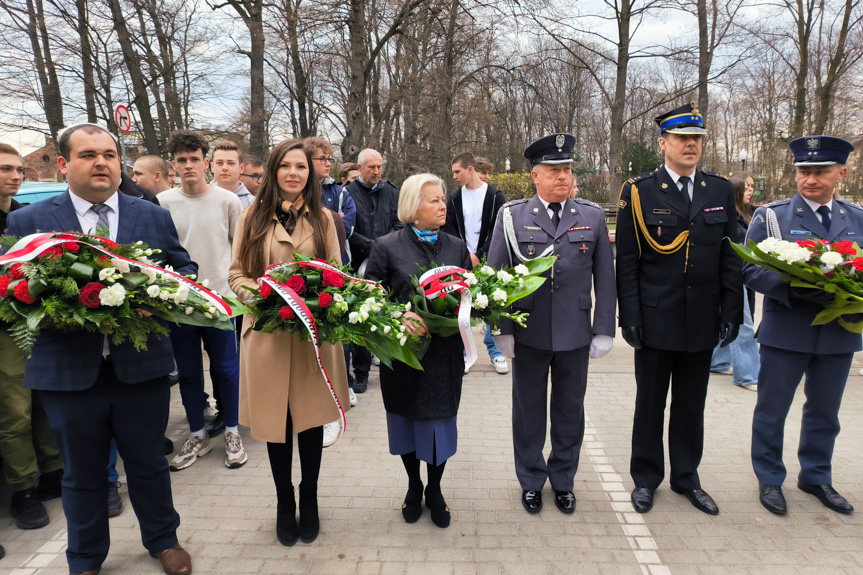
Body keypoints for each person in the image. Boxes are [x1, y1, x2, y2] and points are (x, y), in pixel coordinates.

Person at [5, 123, 194, 575]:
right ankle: (86, 557)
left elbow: (183, 268)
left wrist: (162, 295)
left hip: (141, 365)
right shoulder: (28, 221)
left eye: (109, 154)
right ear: (65, 164)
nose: (102, 162)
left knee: (149, 463)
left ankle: (163, 540)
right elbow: (11, 287)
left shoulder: (150, 214)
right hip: (67, 371)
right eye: (89, 155)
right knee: (82, 472)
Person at [616, 103, 743, 516]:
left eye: (698, 139)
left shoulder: (719, 190)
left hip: (702, 317)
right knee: (650, 403)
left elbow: (729, 256)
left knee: (692, 404)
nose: (692, 146)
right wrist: (630, 316)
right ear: (663, 143)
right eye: (683, 138)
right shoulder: (639, 191)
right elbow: (629, 262)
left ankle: (687, 477)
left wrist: (731, 310)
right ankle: (646, 479)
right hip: (654, 317)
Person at [228, 138, 349, 546]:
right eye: (286, 166)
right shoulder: (251, 219)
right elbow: (236, 275)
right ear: (273, 172)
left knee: (311, 420)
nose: (294, 173)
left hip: (313, 335)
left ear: (310, 173)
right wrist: (261, 296)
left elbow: (336, 272)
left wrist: (323, 295)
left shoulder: (325, 219)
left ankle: (309, 498)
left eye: (301, 166)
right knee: (277, 424)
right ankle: (284, 502)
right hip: (268, 335)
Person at [487, 134, 616, 515]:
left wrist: (604, 328)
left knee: (568, 410)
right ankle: (530, 480)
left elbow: (605, 278)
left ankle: (563, 480)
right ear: (535, 176)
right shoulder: (512, 216)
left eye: (567, 170)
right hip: (528, 330)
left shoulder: (590, 215)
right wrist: (501, 329)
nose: (563, 177)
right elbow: (496, 276)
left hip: (575, 332)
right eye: (554, 170)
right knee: (528, 411)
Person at [745, 135, 861, 516]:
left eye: (820, 172)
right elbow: (748, 267)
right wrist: (792, 290)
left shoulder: (857, 218)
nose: (810, 180)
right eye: (803, 172)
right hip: (787, 328)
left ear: (841, 173)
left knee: (825, 411)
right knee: (772, 408)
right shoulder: (773, 217)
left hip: (838, 331)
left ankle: (815, 475)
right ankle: (770, 477)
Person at [365, 173, 470, 528]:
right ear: (413, 207)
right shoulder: (386, 246)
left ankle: (435, 488)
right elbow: (370, 299)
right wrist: (399, 315)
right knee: (407, 423)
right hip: (404, 356)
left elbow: (470, 296)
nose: (443, 205)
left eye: (443, 200)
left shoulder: (456, 246)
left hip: (444, 357)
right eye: (434, 200)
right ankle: (413, 485)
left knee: (439, 425)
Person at [159, 130, 246, 471]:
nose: (189, 165)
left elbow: (238, 251)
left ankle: (233, 432)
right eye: (182, 160)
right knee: (190, 372)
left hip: (220, 301)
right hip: (179, 303)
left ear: (206, 162)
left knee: (226, 369)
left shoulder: (228, 201)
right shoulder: (163, 202)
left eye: (194, 159)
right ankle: (197, 434)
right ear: (174, 165)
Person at [0, 143, 64, 530]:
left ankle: (53, 472)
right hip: (6, 330)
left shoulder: (26, 217)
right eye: (6, 169)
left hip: (37, 323)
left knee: (45, 401)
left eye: (18, 169)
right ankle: (23, 487)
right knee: (15, 411)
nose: (16, 175)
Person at [442, 152, 508, 374]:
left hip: (489, 259)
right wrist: (464, 254)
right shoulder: (453, 199)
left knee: (493, 304)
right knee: (462, 306)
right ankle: (464, 352)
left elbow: (499, 231)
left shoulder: (495, 197)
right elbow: (448, 229)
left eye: (457, 172)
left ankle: (496, 351)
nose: (455, 176)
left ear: (470, 169)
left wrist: (480, 254)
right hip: (461, 261)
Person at [344, 148, 403, 393]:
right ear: (359, 168)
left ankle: (395, 366)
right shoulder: (346, 193)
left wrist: (384, 248)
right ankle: (361, 371)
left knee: (390, 315)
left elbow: (401, 222)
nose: (377, 171)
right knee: (362, 318)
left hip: (389, 264)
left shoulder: (392, 192)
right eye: (371, 167)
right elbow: (345, 228)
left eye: (379, 167)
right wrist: (372, 247)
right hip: (359, 264)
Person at [709, 173, 759, 390]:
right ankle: (748, 376)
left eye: (752, 186)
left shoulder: (753, 214)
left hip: (748, 273)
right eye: (746, 186)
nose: (750, 190)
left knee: (731, 320)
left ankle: (718, 362)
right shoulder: (726, 214)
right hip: (732, 275)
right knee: (744, 324)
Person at [212, 140, 253, 209]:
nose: (224, 168)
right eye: (219, 163)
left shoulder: (254, 205)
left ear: (241, 168)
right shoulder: (198, 199)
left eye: (231, 163)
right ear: (212, 167)